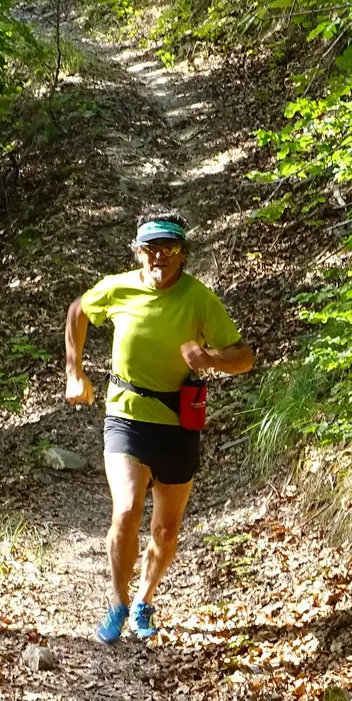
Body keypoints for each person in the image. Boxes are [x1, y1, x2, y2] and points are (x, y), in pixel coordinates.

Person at [64, 209, 254, 643]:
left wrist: (211, 360)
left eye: (168, 249)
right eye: (150, 249)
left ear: (182, 255)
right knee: (127, 508)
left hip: (178, 422)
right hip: (126, 415)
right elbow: (77, 311)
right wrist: (75, 372)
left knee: (166, 528)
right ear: (137, 252)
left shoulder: (199, 299)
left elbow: (244, 357)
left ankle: (145, 601)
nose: (159, 257)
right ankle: (117, 601)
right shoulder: (118, 288)